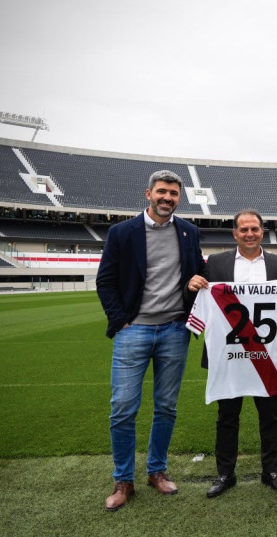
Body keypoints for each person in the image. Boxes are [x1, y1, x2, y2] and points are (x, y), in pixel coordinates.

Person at [96, 169, 206, 511]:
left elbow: (193, 276)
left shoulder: (189, 231)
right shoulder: (122, 232)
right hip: (134, 332)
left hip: (174, 330)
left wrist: (193, 286)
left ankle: (156, 471)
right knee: (123, 407)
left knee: (166, 406)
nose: (167, 198)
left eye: (173, 194)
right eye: (161, 192)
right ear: (148, 194)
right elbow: (106, 281)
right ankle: (123, 479)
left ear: (178, 198)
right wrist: (122, 322)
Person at [189, 210, 277, 497]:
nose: (249, 234)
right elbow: (201, 298)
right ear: (234, 233)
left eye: (254, 228)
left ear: (262, 231)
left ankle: (271, 471)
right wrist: (191, 286)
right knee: (227, 416)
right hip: (230, 353)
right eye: (243, 229)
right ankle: (225, 473)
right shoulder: (216, 263)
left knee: (270, 416)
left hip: (266, 354)